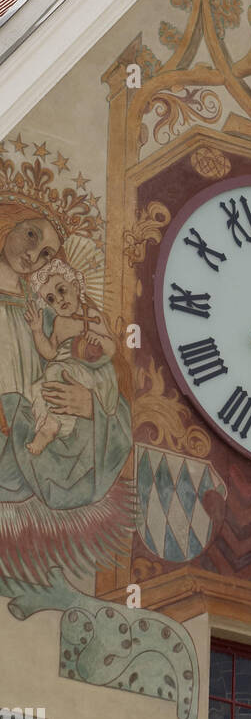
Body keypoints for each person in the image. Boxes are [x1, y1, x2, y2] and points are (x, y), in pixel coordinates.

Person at [0, 201, 132, 584]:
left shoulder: (46, 307)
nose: (33, 255)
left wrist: (91, 405)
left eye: (45, 253)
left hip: (40, 429)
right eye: (30, 234)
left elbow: (105, 370)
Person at [24, 258, 118, 456]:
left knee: (57, 372)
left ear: (75, 286)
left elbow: (111, 348)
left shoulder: (93, 315)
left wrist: (99, 339)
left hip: (91, 370)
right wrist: (37, 331)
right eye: (50, 299)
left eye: (61, 290)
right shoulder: (59, 323)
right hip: (64, 366)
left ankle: (53, 426)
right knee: (38, 387)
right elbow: (50, 352)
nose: (59, 299)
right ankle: (46, 425)